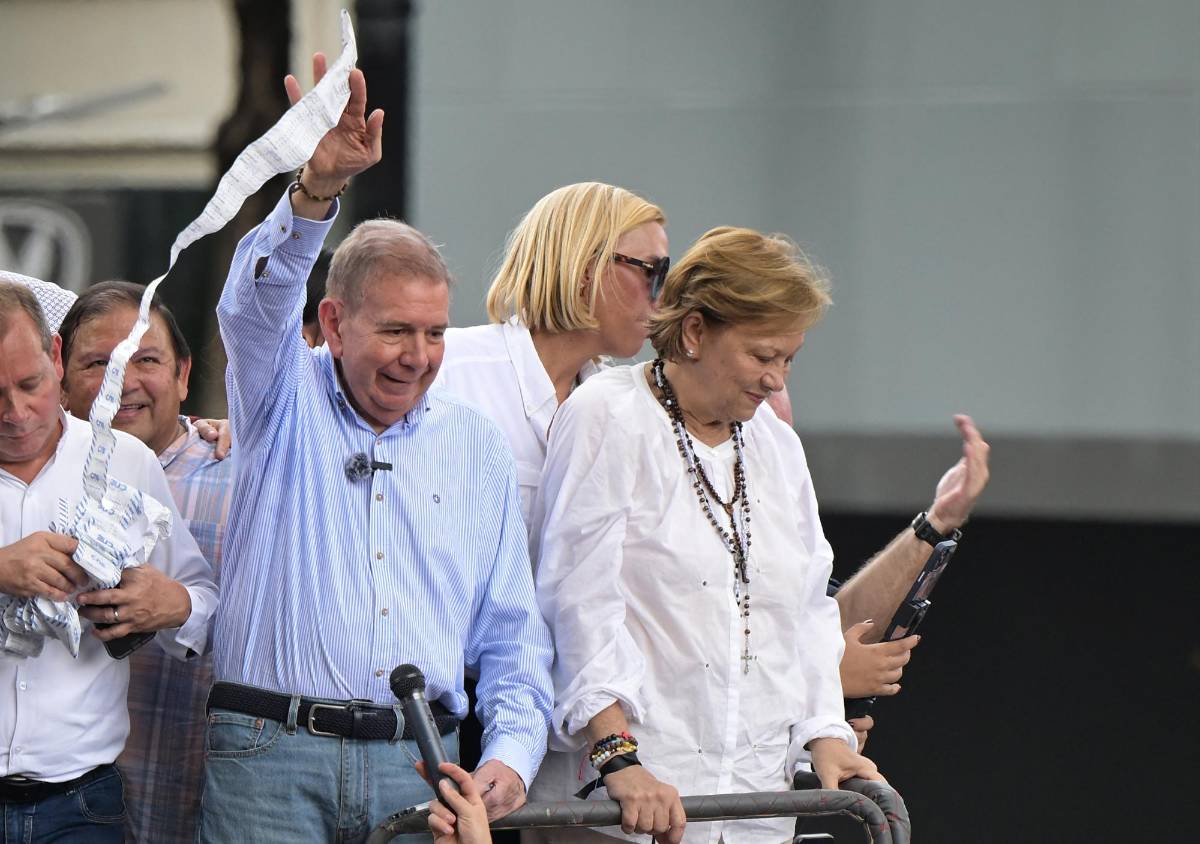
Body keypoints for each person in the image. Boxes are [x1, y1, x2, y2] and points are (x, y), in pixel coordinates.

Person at [198, 55, 554, 842]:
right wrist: (315, 193)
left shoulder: (474, 444)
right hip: (269, 759)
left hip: (420, 768)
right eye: (394, 330)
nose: (417, 356)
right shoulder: (280, 394)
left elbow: (511, 632)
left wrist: (513, 754)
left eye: (433, 333)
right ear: (331, 323)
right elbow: (252, 303)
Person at [533, 227, 887, 844]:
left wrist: (826, 735)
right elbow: (574, 604)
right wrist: (619, 758)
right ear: (694, 332)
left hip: (756, 809)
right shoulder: (608, 415)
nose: (777, 380)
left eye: (788, 360)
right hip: (622, 813)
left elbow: (804, 612)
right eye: (762, 355)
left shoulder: (776, 444)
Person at [0, 280, 218, 841]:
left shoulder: (126, 459)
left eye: (29, 384)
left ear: (54, 356)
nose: (17, 412)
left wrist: (169, 604)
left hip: (81, 804)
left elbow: (202, 599)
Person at [57, 281, 235, 843]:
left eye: (146, 360)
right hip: (67, 809)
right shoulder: (39, 482)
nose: (122, 380)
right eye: (97, 363)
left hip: (211, 799)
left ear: (184, 375)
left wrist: (180, 603)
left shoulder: (242, 477)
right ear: (59, 378)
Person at [436, 181, 668, 528]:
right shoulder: (447, 368)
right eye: (653, 272)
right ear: (587, 268)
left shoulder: (624, 406)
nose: (660, 298)